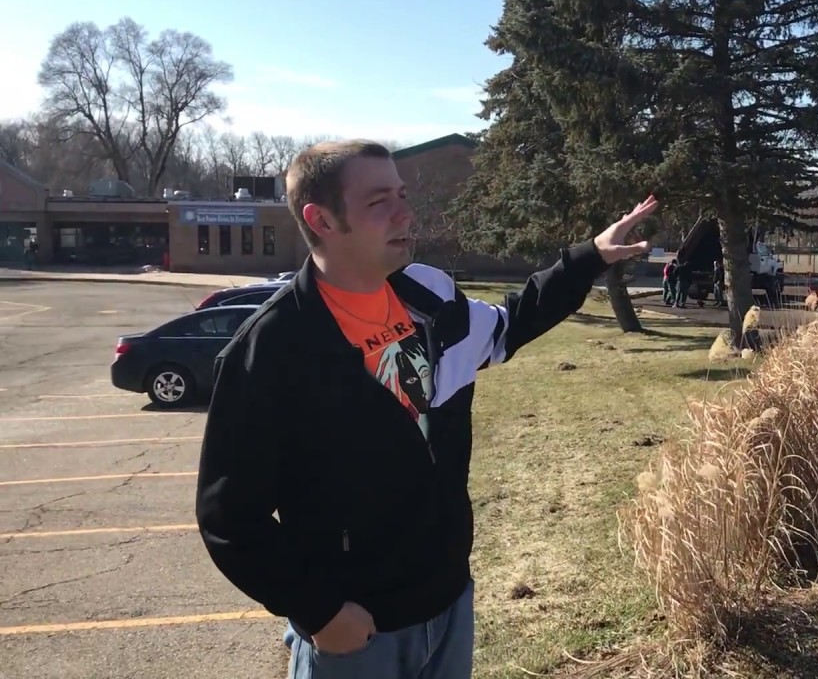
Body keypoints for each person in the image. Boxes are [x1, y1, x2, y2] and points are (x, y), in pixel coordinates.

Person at [193, 139, 658, 679]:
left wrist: (589, 257)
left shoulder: (428, 297)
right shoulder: (272, 349)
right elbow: (229, 518)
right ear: (322, 219)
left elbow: (510, 325)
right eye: (379, 202)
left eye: (402, 195)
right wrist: (321, 613)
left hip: (449, 603)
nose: (405, 214)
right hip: (357, 635)